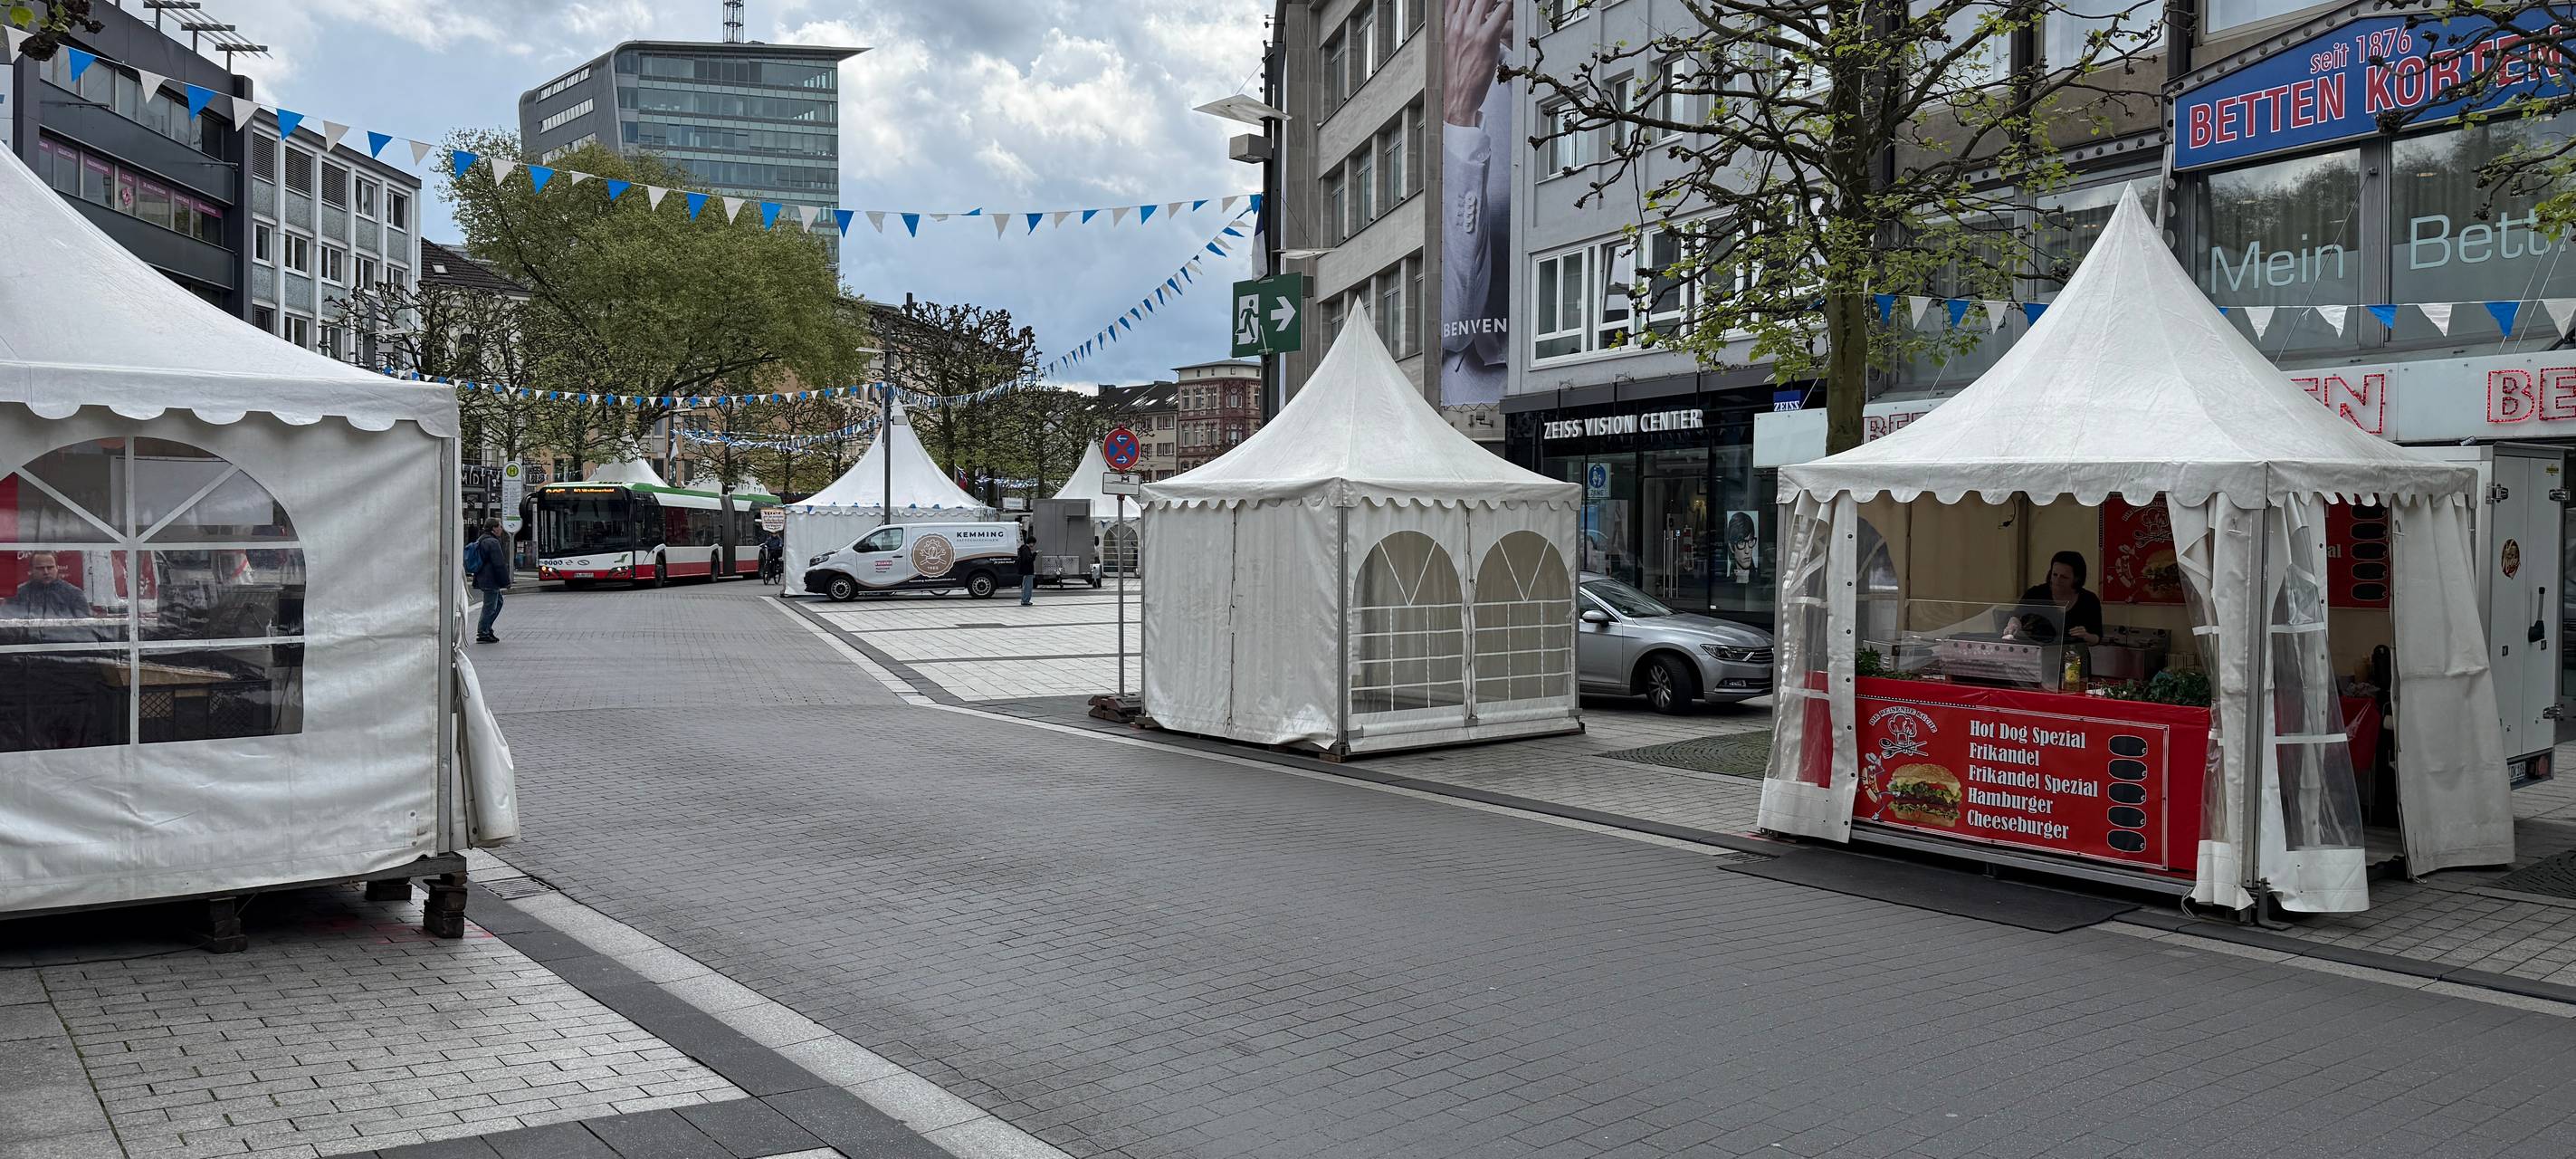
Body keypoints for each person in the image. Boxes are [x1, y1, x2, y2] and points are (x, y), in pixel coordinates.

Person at [2015, 550, 2104, 645]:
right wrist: (2014, 623)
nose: (2057, 580)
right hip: (2040, 652)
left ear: (2077, 579)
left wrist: (2086, 636)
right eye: (2055, 574)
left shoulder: (2089, 600)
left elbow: (2097, 637)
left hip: (2073, 656)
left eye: (2064, 577)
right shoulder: (2036, 593)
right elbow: (2016, 615)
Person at [4, 551, 91, 618]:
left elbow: (85, 626)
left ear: (57, 568)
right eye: (40, 568)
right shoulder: (17, 595)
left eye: (50, 567)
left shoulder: (74, 594)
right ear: (31, 570)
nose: (46, 572)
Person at [472, 519, 511, 643]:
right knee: (489, 606)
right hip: (490, 579)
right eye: (499, 526)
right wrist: (506, 582)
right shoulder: (492, 542)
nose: (501, 529)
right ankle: (483, 632)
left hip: (484, 577)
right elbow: (499, 564)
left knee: (498, 602)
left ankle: (487, 628)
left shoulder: (482, 539)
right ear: (493, 528)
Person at [1016, 532, 1039, 607]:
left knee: (1026, 586)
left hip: (1026, 571)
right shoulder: (1026, 549)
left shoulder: (1024, 549)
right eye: (1033, 544)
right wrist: (1035, 554)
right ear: (1031, 543)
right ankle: (1025, 600)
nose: (1033, 545)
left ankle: (1025, 600)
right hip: (1027, 571)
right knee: (1028, 586)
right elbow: (1029, 560)